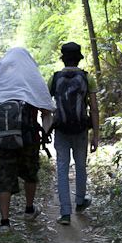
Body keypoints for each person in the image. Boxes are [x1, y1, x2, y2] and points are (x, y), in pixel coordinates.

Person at [0, 47, 55, 233]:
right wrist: (44, 134)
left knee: (3, 178)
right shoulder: (32, 81)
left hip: (1, 142)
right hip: (28, 139)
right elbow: (47, 113)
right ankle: (28, 210)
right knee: (30, 173)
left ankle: (4, 223)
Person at [49, 42, 99, 225]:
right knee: (80, 166)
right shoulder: (87, 78)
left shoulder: (54, 78)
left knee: (61, 170)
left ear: (63, 59)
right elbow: (94, 109)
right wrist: (96, 135)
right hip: (81, 130)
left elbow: (46, 106)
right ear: (79, 58)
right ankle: (79, 202)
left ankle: (65, 213)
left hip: (61, 130)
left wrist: (47, 127)